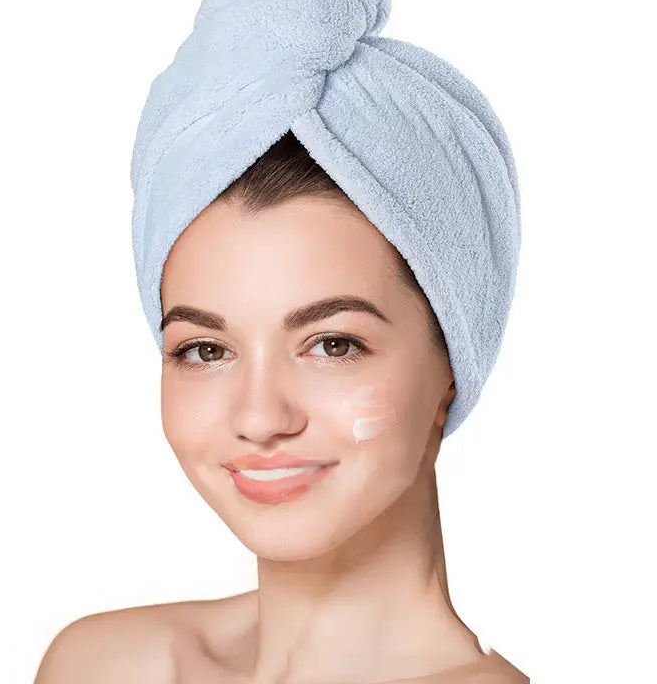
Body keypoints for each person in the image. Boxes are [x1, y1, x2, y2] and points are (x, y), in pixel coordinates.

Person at [35, 133, 528, 683]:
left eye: (333, 345)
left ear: (453, 365)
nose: (259, 419)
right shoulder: (99, 666)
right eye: (206, 350)